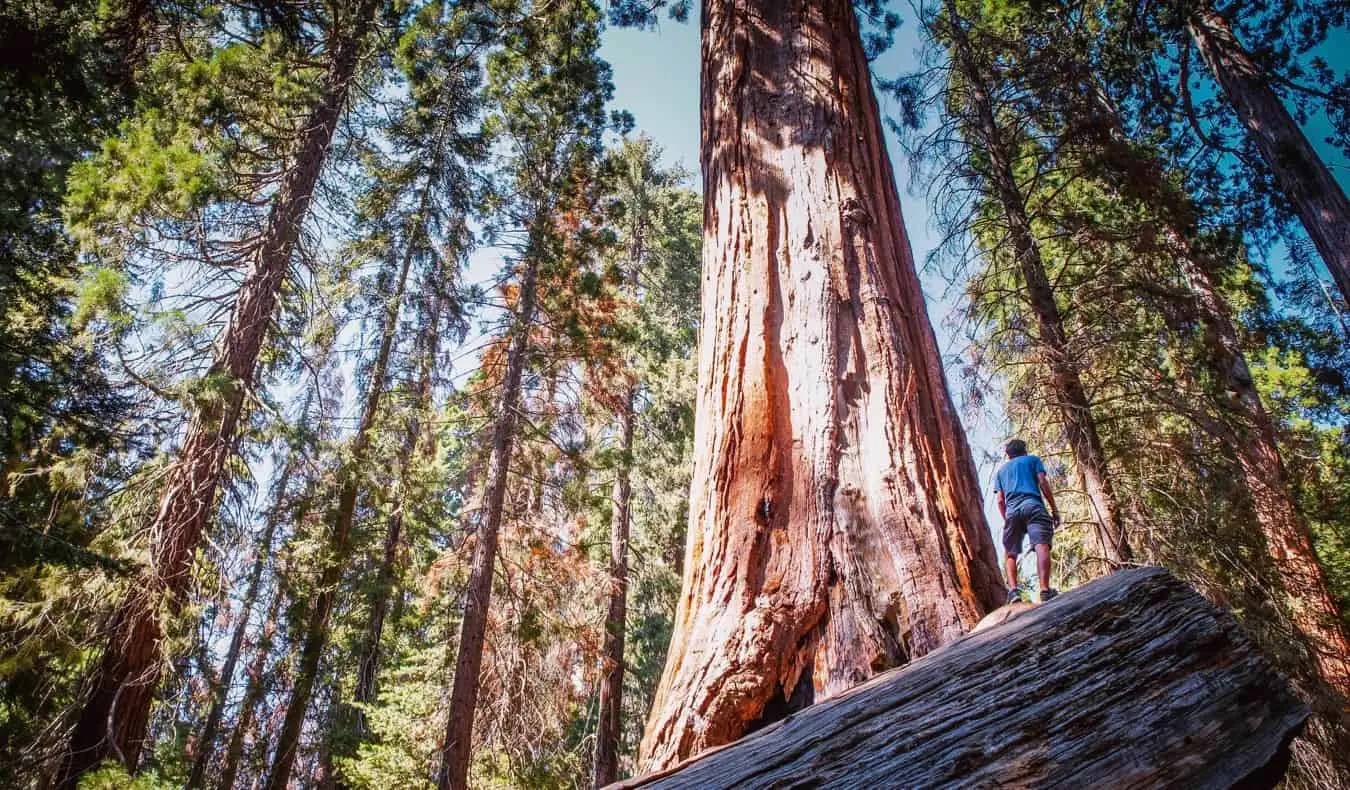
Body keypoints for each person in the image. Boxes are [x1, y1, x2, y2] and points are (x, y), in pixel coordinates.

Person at [993, 439, 1061, 604]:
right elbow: (1043, 482)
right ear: (1025, 450)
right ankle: (1045, 590)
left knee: (1011, 552)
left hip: (1012, 512)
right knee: (1041, 545)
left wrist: (1007, 519)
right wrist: (1054, 508)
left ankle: (1013, 591)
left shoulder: (1001, 472)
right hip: (1033, 506)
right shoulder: (1033, 460)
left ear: (1008, 455)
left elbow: (1000, 500)